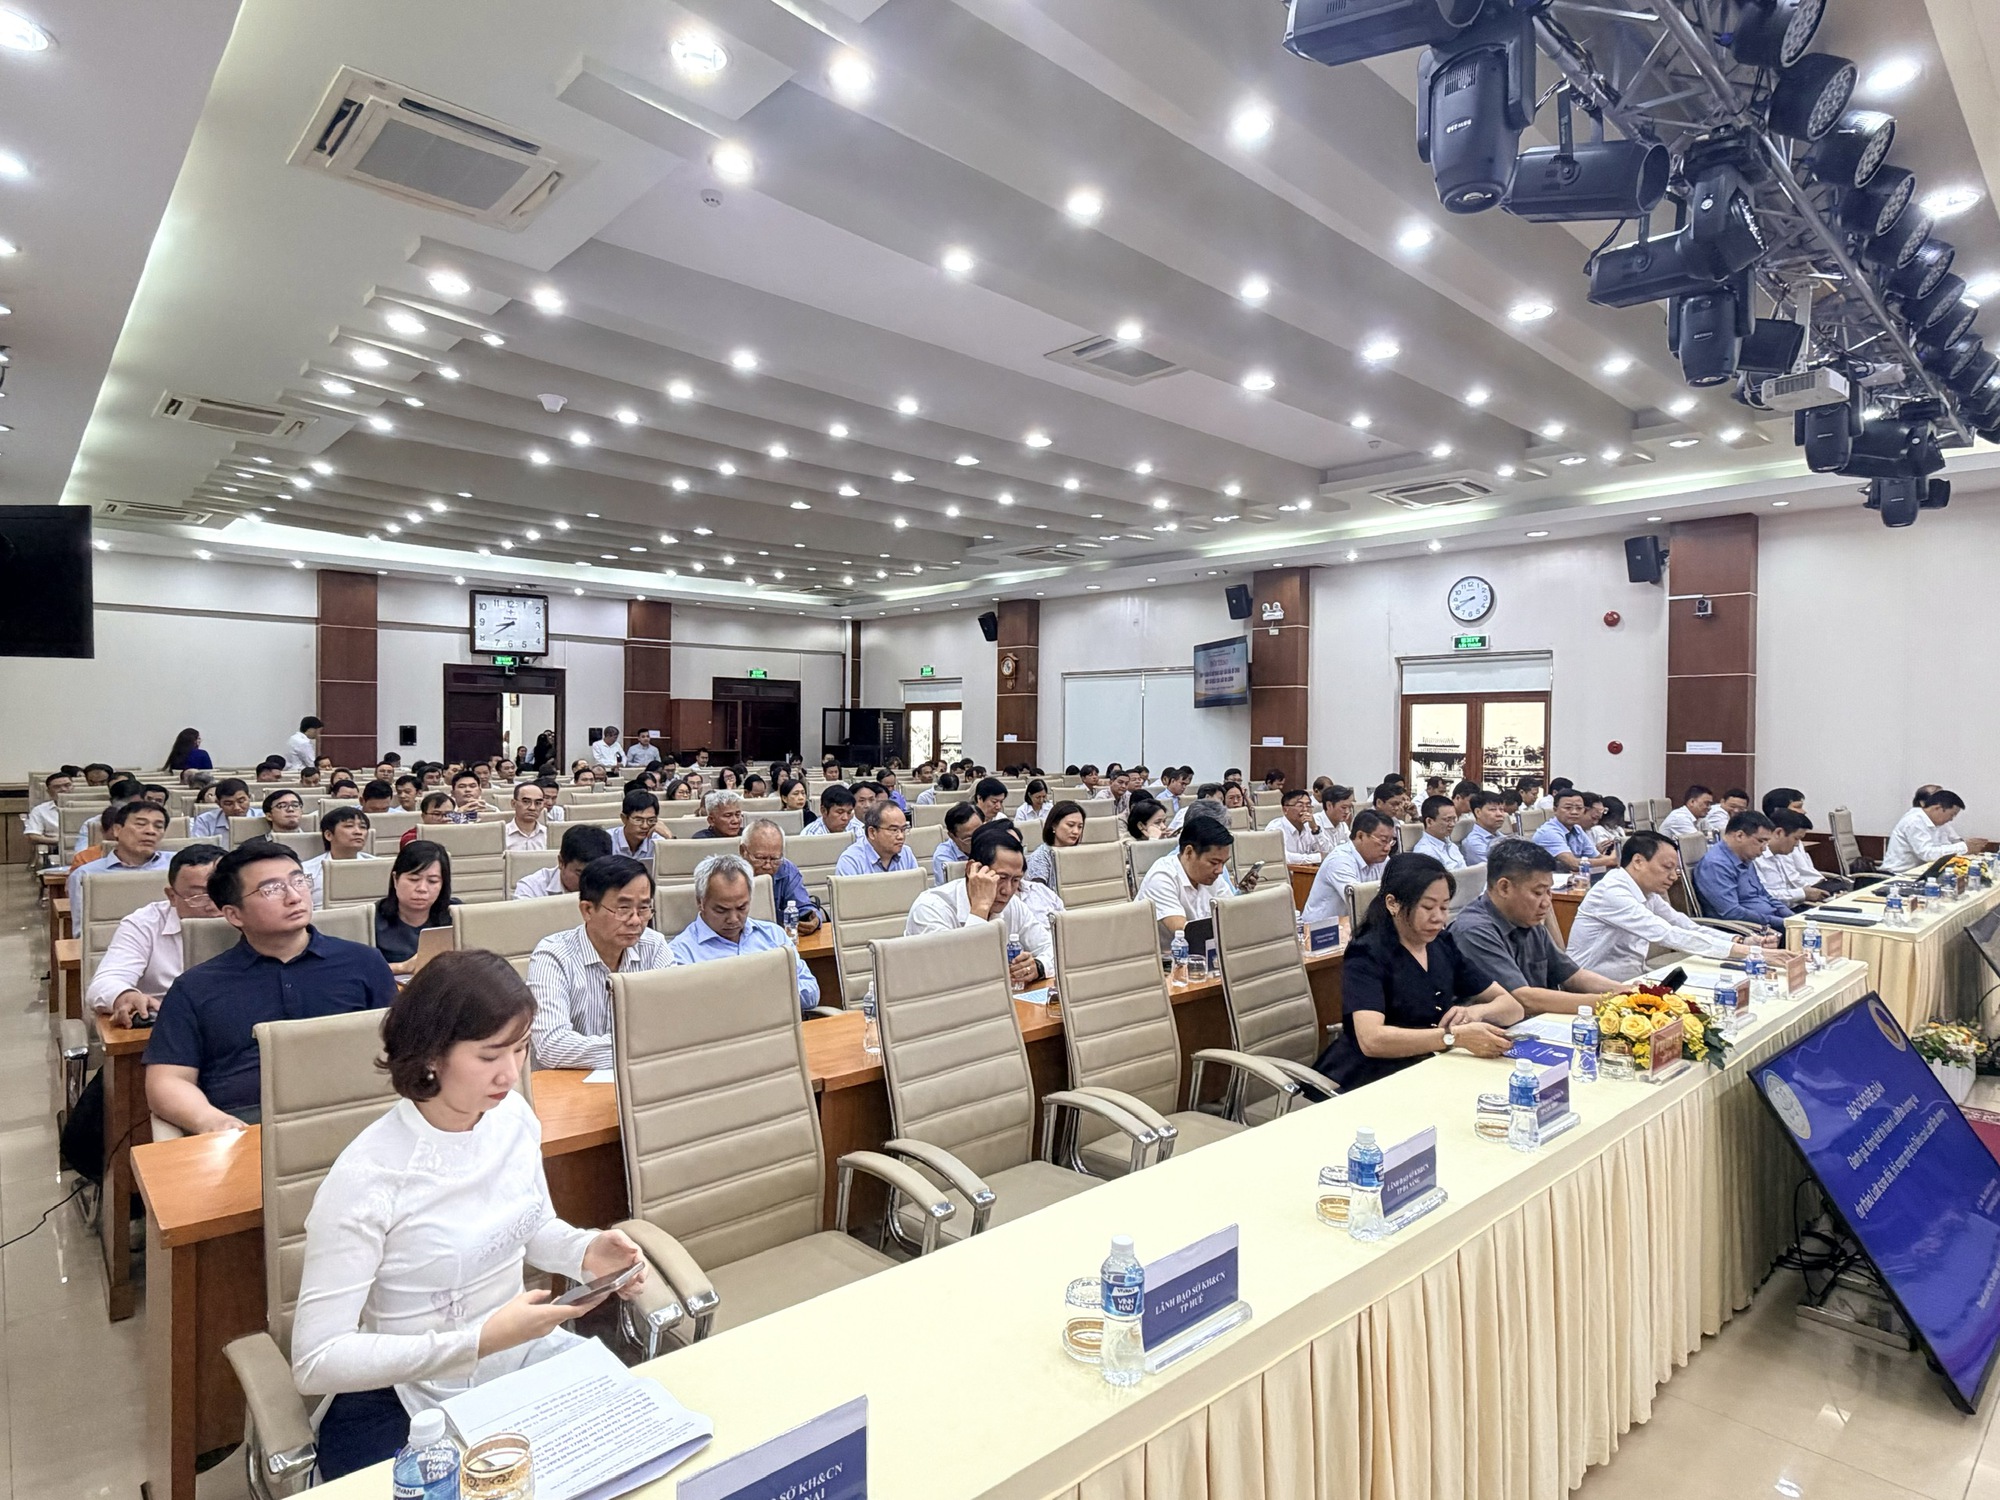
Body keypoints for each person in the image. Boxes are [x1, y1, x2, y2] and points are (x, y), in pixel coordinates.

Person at [291, 950, 648, 1479]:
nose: (511, 1073)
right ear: (431, 1055)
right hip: (408, 1393)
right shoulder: (369, 1178)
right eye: (489, 1055)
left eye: (521, 1048)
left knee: (632, 1456)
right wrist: (478, 1342)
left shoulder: (512, 1118)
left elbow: (530, 1226)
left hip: (519, 1355)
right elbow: (316, 1360)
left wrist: (585, 1250)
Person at [145, 840, 397, 1133]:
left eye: (298, 881)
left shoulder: (364, 962)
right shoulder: (195, 987)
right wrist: (210, 1120)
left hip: (355, 1113)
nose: (294, 897)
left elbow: (402, 1048)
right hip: (247, 1121)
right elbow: (167, 1080)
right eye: (272, 889)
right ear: (234, 914)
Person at [1311, 854, 1519, 1093]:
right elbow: (1372, 1040)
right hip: (1369, 1078)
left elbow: (1512, 1007)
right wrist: (1453, 1037)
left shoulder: (1441, 944)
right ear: (1393, 903)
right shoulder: (1366, 953)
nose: (1439, 918)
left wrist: (1475, 1012)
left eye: (1444, 907)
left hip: (1430, 1068)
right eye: (1427, 907)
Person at [526, 855, 672, 1069]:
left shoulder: (655, 947)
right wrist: (639, 1050)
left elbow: (672, 1027)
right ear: (587, 910)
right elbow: (552, 1046)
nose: (635, 920)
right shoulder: (553, 955)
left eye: (644, 908)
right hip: (566, 1082)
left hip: (640, 1077)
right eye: (623, 909)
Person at [1447, 840, 1623, 1015]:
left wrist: (1625, 992)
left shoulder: (1526, 919)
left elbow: (1573, 976)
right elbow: (1523, 999)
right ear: (1504, 887)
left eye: (1549, 891)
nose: (1546, 902)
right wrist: (1612, 1002)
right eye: (1538, 892)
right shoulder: (1472, 931)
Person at [1567, 831, 1761, 981]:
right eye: (1667, 868)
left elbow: (1684, 925)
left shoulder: (1647, 892)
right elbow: (1667, 934)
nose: (1674, 876)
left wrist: (1740, 941)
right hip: (1591, 985)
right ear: (1638, 861)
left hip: (1633, 978)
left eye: (1675, 869)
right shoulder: (1612, 892)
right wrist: (1746, 953)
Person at [85, 843, 225, 1026]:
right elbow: (104, 983)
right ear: (172, 896)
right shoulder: (144, 924)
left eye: (223, 892)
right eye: (199, 897)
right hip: (169, 1025)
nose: (214, 906)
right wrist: (126, 996)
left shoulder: (251, 915)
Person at [906, 825, 1058, 985]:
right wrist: (980, 908)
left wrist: (1038, 967)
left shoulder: (1013, 904)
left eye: (1015, 880)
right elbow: (955, 975)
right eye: (1001, 878)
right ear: (972, 869)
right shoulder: (930, 907)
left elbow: (1054, 949)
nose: (1007, 891)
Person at [664, 854, 821, 1010]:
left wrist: (763, 995)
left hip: (778, 1023)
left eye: (741, 908)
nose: (733, 919)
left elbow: (811, 993)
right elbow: (685, 1013)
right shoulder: (681, 954)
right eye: (721, 910)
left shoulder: (774, 936)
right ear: (700, 902)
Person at [1136, 817, 1254, 945]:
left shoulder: (1212, 875)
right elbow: (1185, 933)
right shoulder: (1161, 877)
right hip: (1168, 954)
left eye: (1224, 863)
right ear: (1189, 852)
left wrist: (1243, 895)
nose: (1220, 870)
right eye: (1214, 862)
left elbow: (1230, 915)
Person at [68, 800, 172, 915]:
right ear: (117, 830)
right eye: (140, 824)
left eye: (158, 826)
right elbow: (81, 925)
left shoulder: (177, 866)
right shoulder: (85, 875)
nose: (151, 831)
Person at [371, 840, 461, 972]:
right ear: (395, 879)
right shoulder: (372, 919)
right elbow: (357, 970)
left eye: (432, 881)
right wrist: (401, 967)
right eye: (414, 879)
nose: (422, 888)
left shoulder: (457, 915)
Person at [1693, 811, 1790, 929]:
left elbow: (1764, 895)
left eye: (1766, 842)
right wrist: (1781, 923)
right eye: (1761, 841)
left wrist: (1791, 917)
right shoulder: (1716, 865)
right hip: (1747, 929)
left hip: (1769, 922)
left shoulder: (1745, 857)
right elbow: (1732, 913)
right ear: (1740, 836)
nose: (1764, 849)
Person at [1300, 810, 1397, 926]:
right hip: (1322, 931)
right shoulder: (1340, 861)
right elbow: (1359, 903)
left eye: (1391, 841)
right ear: (1360, 836)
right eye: (1383, 841)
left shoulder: (1381, 858)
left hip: (1353, 926)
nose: (1387, 848)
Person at [740, 817, 821, 932]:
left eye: (775, 859)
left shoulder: (786, 869)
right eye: (760, 858)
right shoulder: (729, 875)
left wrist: (814, 919)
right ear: (743, 851)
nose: (768, 865)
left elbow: (803, 907)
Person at [1885, 787, 1985, 870]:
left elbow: (1949, 844)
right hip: (1898, 874)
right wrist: (1964, 847)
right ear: (1937, 808)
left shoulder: (1938, 823)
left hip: (1921, 872)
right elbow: (1927, 854)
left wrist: (1969, 846)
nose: (1951, 819)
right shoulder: (1914, 821)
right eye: (1952, 815)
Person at [514, 823, 613, 900]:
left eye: (595, 875)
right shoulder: (531, 889)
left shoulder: (613, 887)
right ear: (561, 862)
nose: (588, 883)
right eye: (580, 874)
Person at [303, 806, 378, 906]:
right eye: (349, 826)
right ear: (328, 835)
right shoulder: (307, 870)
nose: (358, 832)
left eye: (363, 827)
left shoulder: (379, 867)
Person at [1532, 789, 1616, 875]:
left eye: (1579, 808)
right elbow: (1574, 864)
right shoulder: (1548, 832)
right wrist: (1611, 860)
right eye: (1568, 808)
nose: (1574, 812)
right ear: (1555, 810)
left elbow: (1598, 857)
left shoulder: (1577, 829)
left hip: (1572, 878)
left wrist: (1615, 857)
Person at [1756, 810, 1830, 907]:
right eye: (1796, 839)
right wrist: (1803, 894)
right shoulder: (1756, 858)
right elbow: (1763, 895)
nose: (1796, 845)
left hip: (1792, 907)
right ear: (1779, 833)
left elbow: (1794, 882)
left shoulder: (1781, 854)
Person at [834, 800, 916, 875]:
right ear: (872, 832)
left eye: (903, 829)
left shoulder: (906, 853)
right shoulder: (850, 861)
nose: (901, 836)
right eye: (894, 830)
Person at [1026, 800, 1085, 886]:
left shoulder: (1082, 853)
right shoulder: (1040, 857)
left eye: (1080, 827)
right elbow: (1038, 891)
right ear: (1054, 825)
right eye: (1070, 825)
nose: (1076, 831)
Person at [1268, 788, 1333, 866]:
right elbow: (1282, 857)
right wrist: (1316, 857)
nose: (1305, 809)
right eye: (1300, 806)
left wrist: (1315, 829)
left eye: (1308, 805)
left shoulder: (1310, 826)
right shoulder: (1275, 829)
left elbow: (1328, 852)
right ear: (1285, 810)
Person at [21, 769, 73, 860]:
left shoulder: (91, 807)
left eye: (67, 785)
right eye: (57, 787)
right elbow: (33, 836)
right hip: (57, 848)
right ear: (48, 792)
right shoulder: (40, 810)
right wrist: (61, 841)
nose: (63, 789)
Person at [1412, 795, 1467, 871]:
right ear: (1429, 822)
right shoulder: (1425, 852)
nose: (1452, 824)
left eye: (1454, 819)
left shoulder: (1452, 845)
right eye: (1447, 820)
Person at [932, 802, 982, 884]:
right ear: (952, 836)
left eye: (980, 833)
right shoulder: (943, 856)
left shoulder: (993, 845)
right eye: (969, 838)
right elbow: (954, 888)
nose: (977, 840)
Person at [1459, 791, 1509, 866]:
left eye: (1502, 810)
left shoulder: (1502, 837)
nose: (1499, 814)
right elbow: (1497, 868)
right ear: (1478, 812)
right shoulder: (1474, 842)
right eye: (1492, 810)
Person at [610, 789, 661, 859]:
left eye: (651, 820)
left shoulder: (658, 842)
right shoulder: (607, 840)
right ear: (624, 818)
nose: (645, 826)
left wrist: (670, 837)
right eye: (638, 820)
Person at [504, 781, 548, 852]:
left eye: (538, 803)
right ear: (513, 803)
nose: (532, 808)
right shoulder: (501, 835)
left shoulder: (549, 835)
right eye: (526, 802)